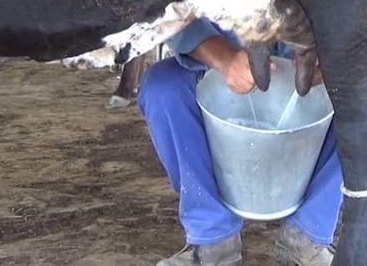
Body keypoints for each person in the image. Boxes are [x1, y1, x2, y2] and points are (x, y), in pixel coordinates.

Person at [138, 17, 343, 266]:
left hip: (306, 69)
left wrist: (335, 51)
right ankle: (214, 239)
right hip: (222, 63)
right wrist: (224, 58)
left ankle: (308, 235)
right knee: (163, 87)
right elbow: (170, 11)